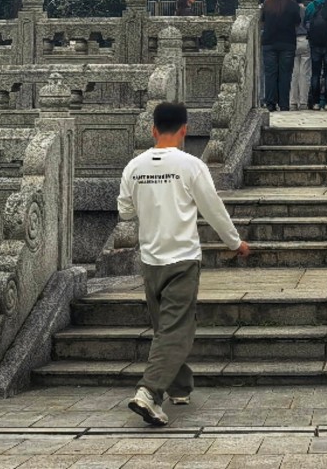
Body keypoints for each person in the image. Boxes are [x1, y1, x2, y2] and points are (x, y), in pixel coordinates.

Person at [118, 102, 250, 427]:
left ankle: (179, 386)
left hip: (150, 260)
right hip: (182, 259)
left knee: (167, 328)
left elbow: (125, 212)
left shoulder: (134, 167)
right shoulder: (190, 166)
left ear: (153, 129)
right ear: (184, 130)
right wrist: (235, 242)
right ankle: (148, 392)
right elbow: (213, 208)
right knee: (176, 329)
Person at [258, 0, 302, 112]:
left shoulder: (267, 4)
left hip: (269, 43)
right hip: (287, 43)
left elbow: (263, 20)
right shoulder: (293, 5)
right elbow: (298, 22)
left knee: (270, 73)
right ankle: (284, 103)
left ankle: (270, 102)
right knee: (285, 74)